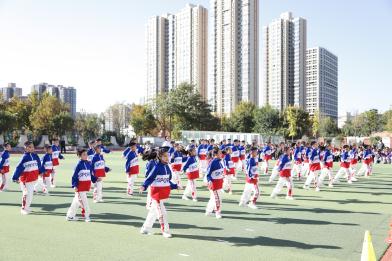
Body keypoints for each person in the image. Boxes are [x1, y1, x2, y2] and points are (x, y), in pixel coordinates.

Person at [139, 148, 180, 238]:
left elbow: (167, 181)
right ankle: (165, 231)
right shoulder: (156, 167)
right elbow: (149, 178)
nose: (167, 158)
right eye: (165, 156)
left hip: (162, 194)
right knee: (162, 213)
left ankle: (145, 228)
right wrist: (144, 186)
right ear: (160, 157)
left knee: (153, 212)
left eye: (167, 156)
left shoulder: (167, 167)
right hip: (156, 194)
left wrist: (175, 186)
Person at [66, 149, 97, 222]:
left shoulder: (88, 163)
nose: (86, 156)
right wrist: (75, 186)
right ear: (79, 156)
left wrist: (95, 179)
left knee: (75, 202)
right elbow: (74, 177)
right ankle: (87, 217)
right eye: (84, 154)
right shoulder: (78, 165)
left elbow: (90, 174)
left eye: (86, 154)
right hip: (80, 188)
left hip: (85, 186)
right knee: (84, 202)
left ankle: (70, 216)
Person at [12, 141, 42, 215]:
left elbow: (39, 164)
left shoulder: (35, 156)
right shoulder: (24, 157)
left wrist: (41, 172)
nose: (32, 148)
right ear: (26, 148)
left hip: (33, 179)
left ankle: (27, 207)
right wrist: (15, 177)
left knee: (30, 195)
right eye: (30, 147)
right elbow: (19, 168)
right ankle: (23, 208)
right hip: (25, 180)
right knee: (26, 193)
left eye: (33, 146)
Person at [205, 148, 224, 219]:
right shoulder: (213, 162)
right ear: (215, 154)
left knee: (213, 198)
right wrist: (209, 180)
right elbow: (208, 173)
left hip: (219, 183)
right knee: (217, 198)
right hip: (214, 184)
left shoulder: (220, 161)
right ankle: (217, 212)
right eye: (220, 153)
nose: (221, 154)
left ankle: (208, 211)